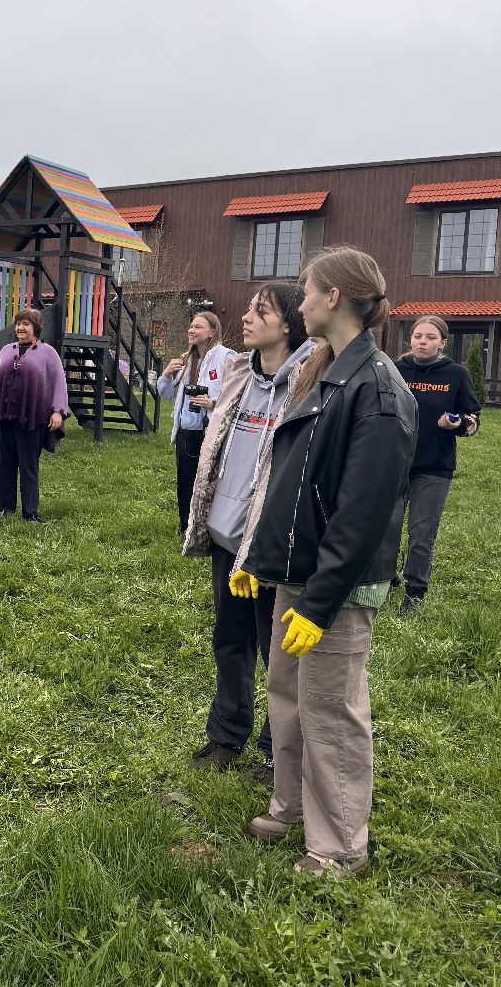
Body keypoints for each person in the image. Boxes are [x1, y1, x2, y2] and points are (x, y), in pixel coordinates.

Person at [232, 246, 417, 878]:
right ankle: (291, 805)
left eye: (307, 290)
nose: (300, 299)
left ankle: (339, 845)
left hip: (333, 590)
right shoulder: (324, 370)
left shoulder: (380, 391)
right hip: (297, 574)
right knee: (287, 694)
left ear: (334, 297)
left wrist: (319, 601)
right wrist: (260, 559)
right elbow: (290, 480)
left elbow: (363, 518)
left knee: (331, 709)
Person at [182, 284, 313, 786]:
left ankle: (277, 749)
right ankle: (226, 733)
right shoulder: (240, 374)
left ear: (288, 326)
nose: (247, 316)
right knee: (229, 637)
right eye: (250, 308)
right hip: (226, 537)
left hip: (270, 543)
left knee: (274, 649)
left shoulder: (307, 383)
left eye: (262, 311)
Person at [392, 316, 480, 614]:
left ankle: (414, 592)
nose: (422, 342)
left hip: (434, 467)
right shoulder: (395, 369)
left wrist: (454, 424)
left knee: (421, 534)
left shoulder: (456, 375)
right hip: (392, 462)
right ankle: (383, 576)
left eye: (430, 337)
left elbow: (473, 421)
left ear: (443, 342)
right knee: (384, 528)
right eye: (418, 336)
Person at [0, 308, 67, 523]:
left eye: (26, 324)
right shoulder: (7, 350)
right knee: (2, 464)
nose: (20, 328)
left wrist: (57, 411)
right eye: (18, 323)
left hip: (32, 418)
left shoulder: (48, 353)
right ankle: (5, 508)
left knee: (28, 466)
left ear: (35, 327)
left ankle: (30, 513)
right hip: (5, 416)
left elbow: (59, 382)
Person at [159, 311, 234, 535]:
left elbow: (237, 395)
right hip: (186, 431)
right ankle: (186, 525)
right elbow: (168, 395)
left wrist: (211, 402)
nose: (191, 330)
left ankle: (209, 526)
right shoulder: (186, 360)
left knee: (211, 479)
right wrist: (166, 375)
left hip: (211, 429)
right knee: (186, 479)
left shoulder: (227, 358)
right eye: (191, 326)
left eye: (198, 327)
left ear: (213, 331)